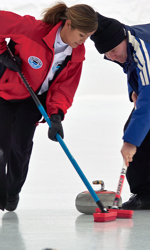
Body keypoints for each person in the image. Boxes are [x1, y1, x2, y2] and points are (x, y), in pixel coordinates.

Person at [0, 2, 97, 212]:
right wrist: (2, 53)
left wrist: (56, 115)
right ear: (68, 24)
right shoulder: (32, 30)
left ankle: (11, 192)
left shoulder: (76, 54)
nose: (83, 41)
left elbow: (64, 88)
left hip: (35, 99)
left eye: (87, 37)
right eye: (82, 35)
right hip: (5, 91)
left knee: (20, 147)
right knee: (2, 144)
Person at [90, 12, 150, 210]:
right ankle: (146, 195)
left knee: (139, 139)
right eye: (106, 54)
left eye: (114, 50)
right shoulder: (128, 40)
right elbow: (133, 67)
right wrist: (134, 89)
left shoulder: (147, 51)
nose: (112, 57)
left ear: (123, 37)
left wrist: (131, 142)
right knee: (136, 132)